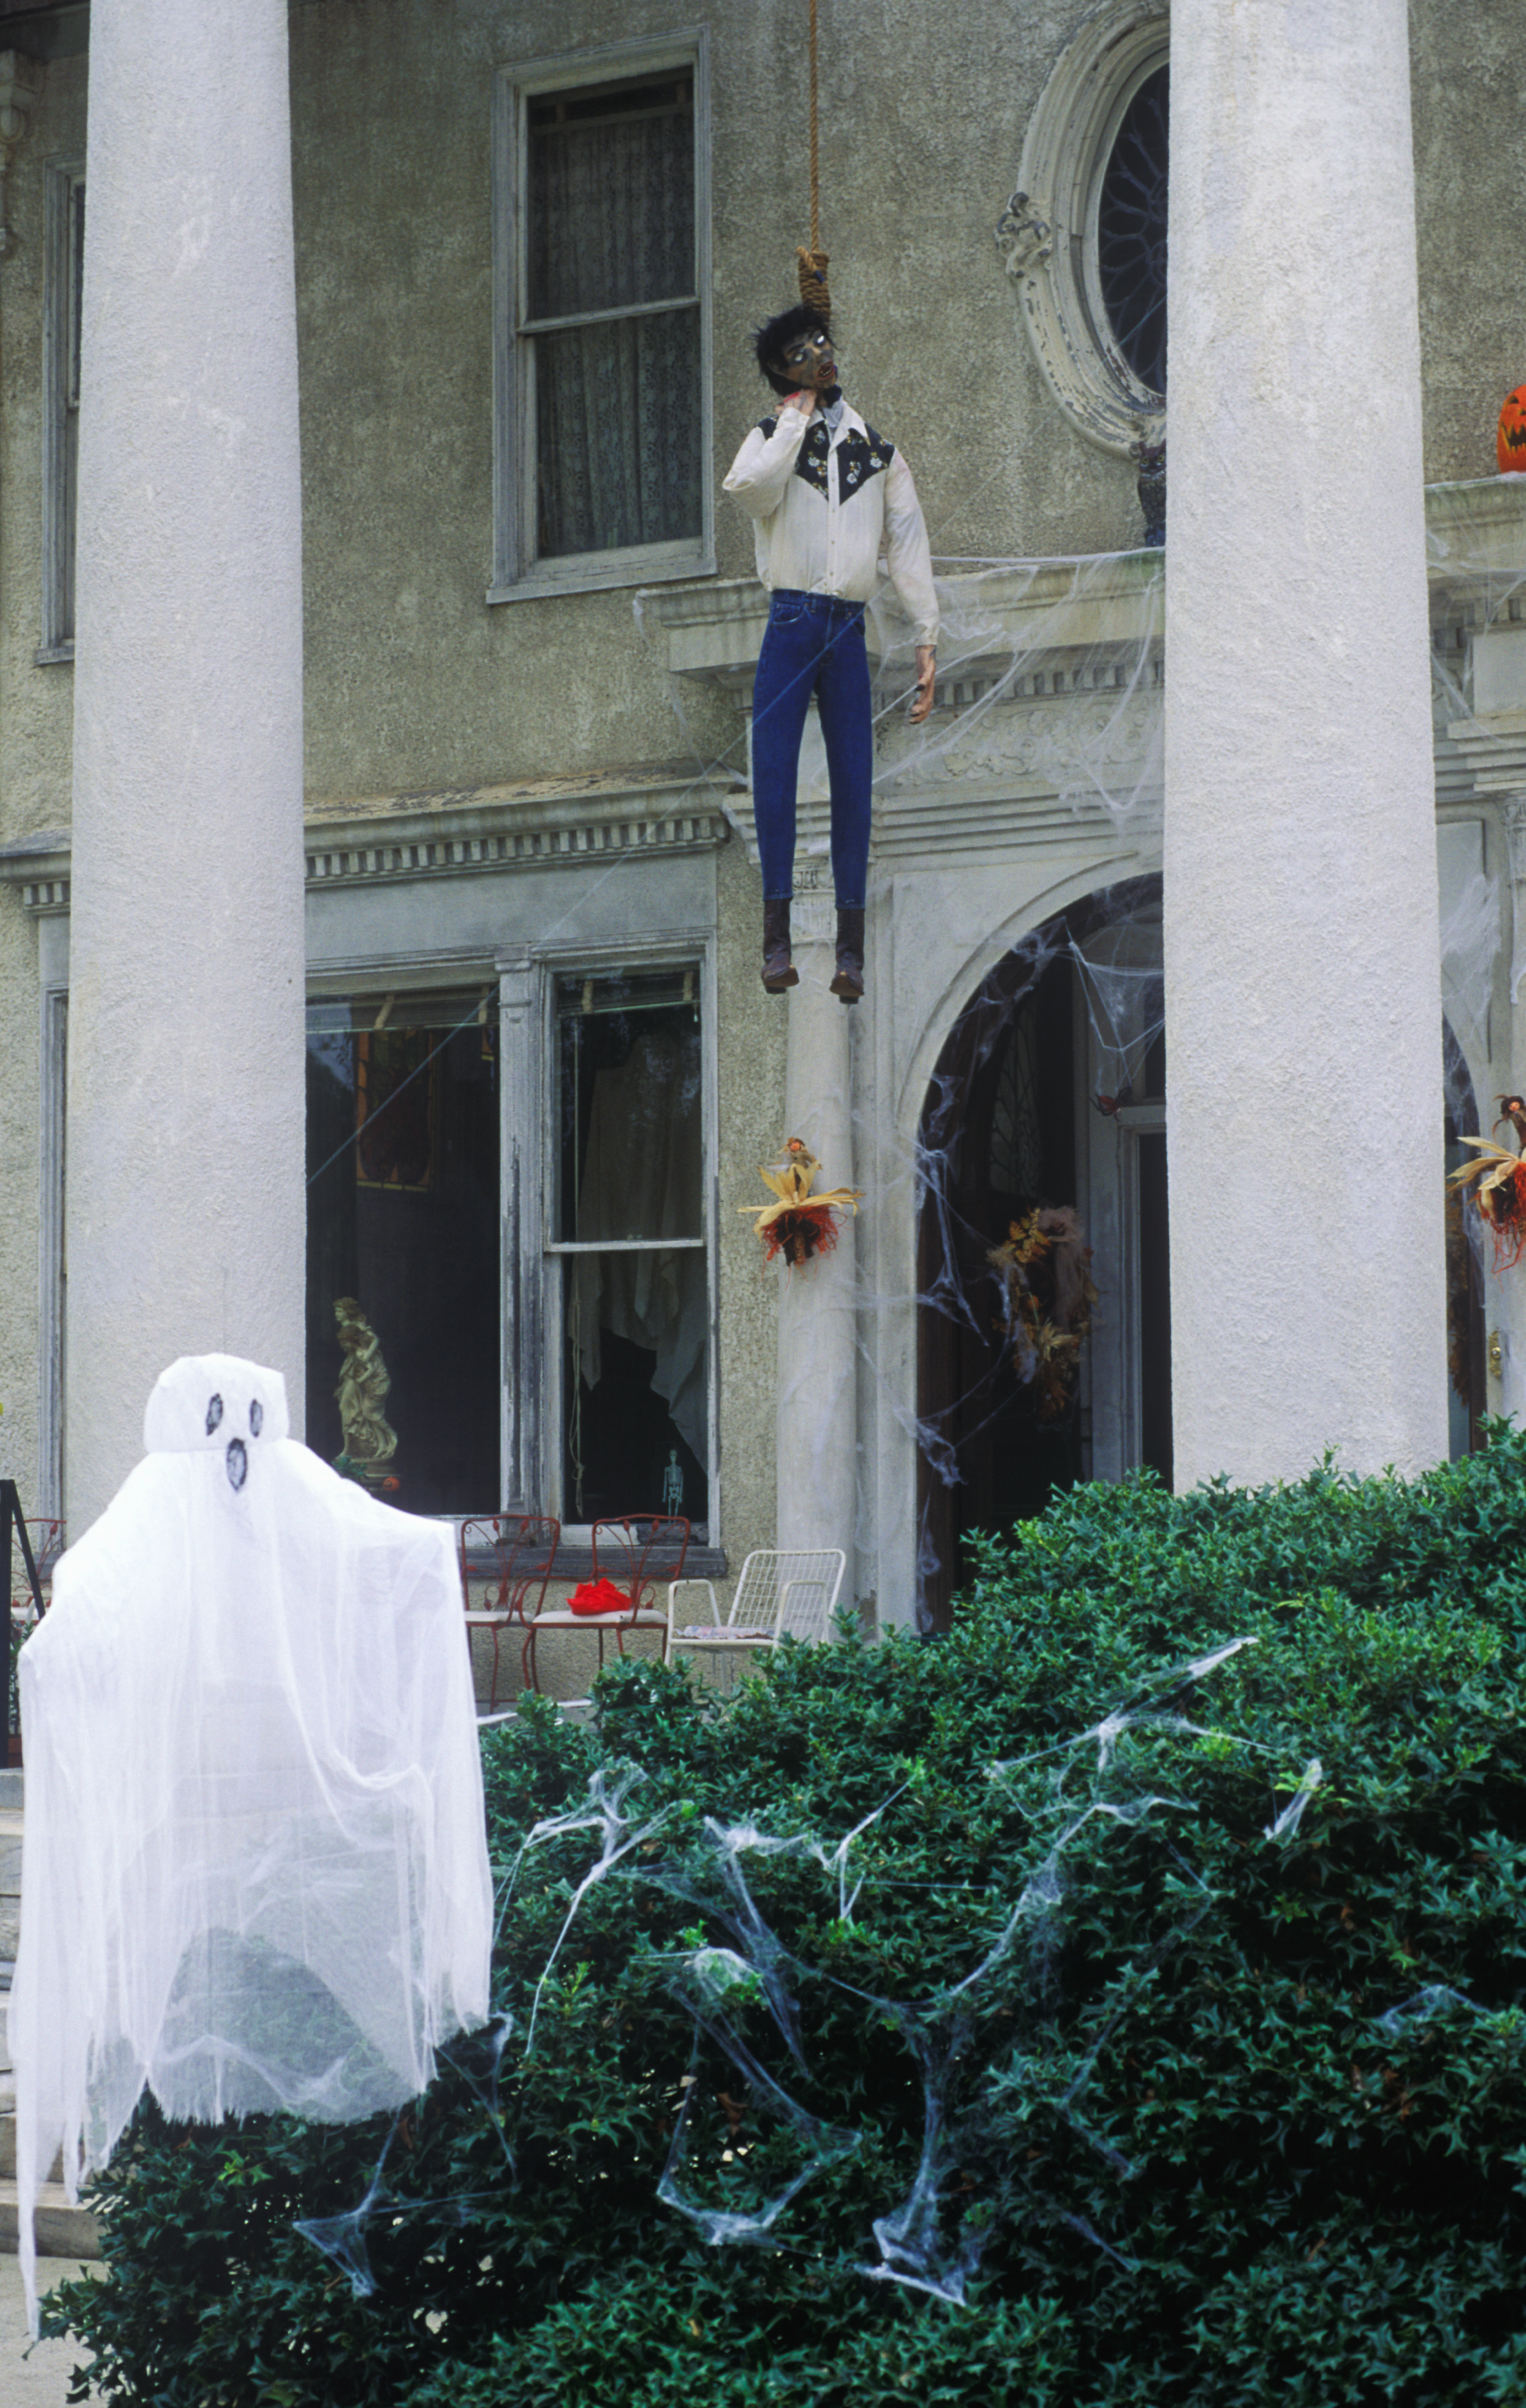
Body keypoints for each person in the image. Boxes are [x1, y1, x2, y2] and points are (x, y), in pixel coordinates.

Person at [724, 303, 937, 1003]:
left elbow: (906, 546)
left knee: (854, 783)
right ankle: (776, 938)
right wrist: (792, 418)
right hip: (790, 619)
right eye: (797, 353)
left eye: (820, 341)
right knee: (775, 776)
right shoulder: (770, 439)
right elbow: (751, 493)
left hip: (847, 625)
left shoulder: (879, 451)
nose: (817, 354)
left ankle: (852, 950)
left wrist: (925, 633)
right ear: (782, 375)